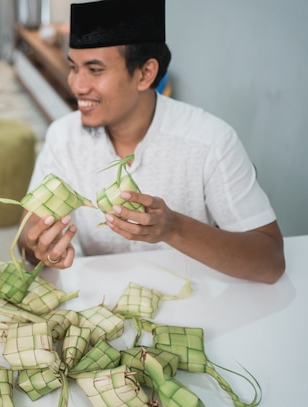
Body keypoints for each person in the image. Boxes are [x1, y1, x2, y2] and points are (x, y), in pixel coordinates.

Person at [17, 0, 285, 284]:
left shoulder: (211, 141)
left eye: (95, 70)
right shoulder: (63, 137)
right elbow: (27, 237)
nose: (77, 85)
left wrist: (173, 228)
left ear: (145, 74)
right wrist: (38, 248)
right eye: (74, 67)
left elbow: (270, 261)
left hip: (199, 301)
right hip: (105, 302)